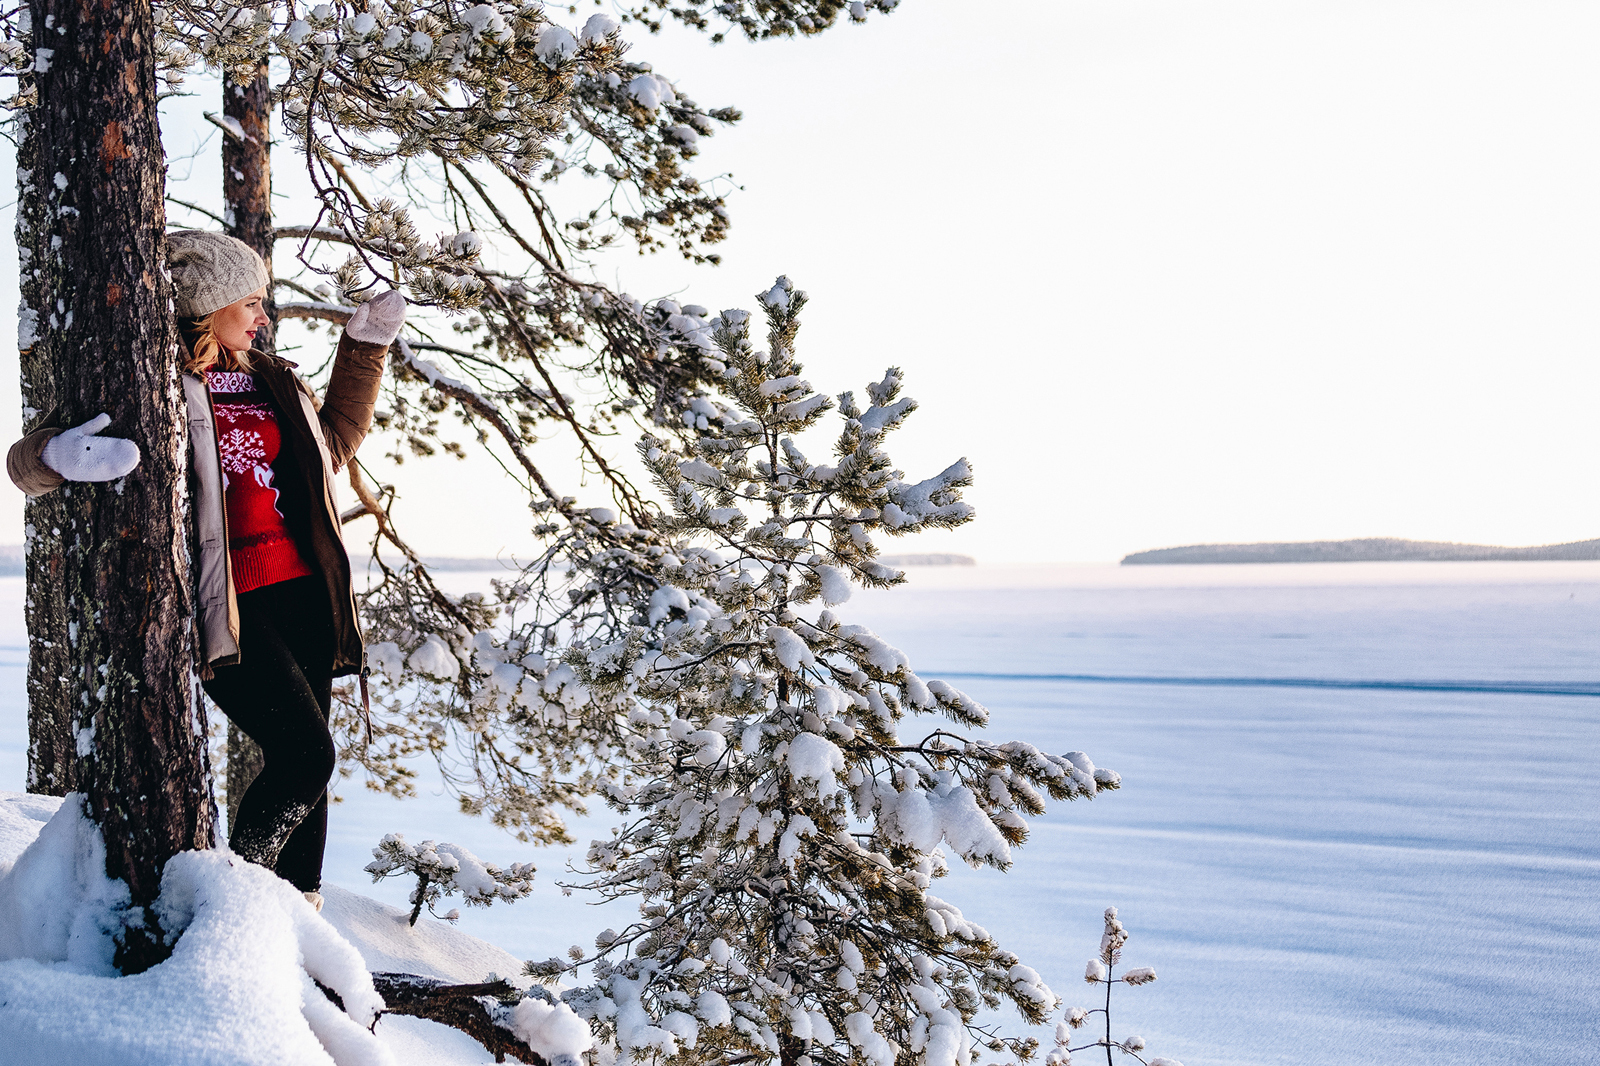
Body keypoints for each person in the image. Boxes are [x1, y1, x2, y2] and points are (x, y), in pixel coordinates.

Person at [6, 230, 405, 910]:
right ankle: (239, 900)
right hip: (228, 604)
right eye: (250, 301)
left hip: (303, 588)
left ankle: (299, 915)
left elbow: (329, 446)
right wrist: (57, 457)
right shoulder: (152, 378)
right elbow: (24, 463)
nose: (261, 316)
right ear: (208, 304)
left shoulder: (270, 377)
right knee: (307, 756)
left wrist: (365, 351)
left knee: (308, 765)